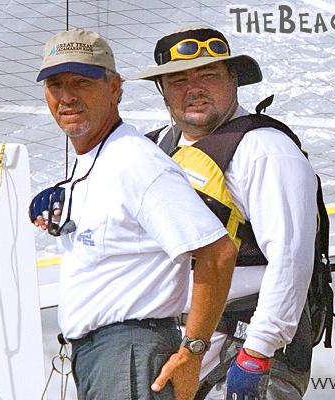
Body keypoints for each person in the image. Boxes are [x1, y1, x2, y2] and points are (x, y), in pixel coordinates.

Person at [29, 28, 238, 400]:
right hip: (108, 358)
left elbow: (218, 252)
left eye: (81, 82)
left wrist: (192, 351)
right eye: (55, 84)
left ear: (115, 88)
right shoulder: (101, 159)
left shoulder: (136, 162)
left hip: (129, 355)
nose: (66, 96)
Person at [133, 24, 318, 400]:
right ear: (162, 90)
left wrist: (258, 352)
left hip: (246, 355)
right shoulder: (148, 150)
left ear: (233, 79)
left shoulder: (265, 149)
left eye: (208, 75)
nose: (194, 88)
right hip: (172, 353)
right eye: (178, 79)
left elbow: (291, 258)